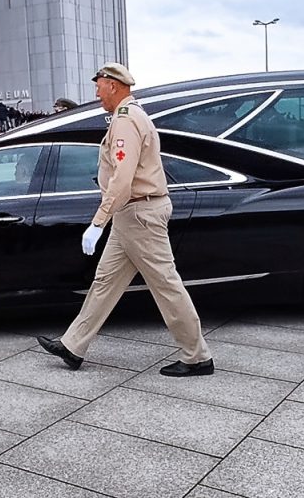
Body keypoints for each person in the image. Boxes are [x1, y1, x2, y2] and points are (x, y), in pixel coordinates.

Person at [36, 63, 214, 377]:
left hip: (139, 214)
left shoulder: (126, 121)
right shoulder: (129, 117)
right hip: (131, 214)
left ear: (114, 85)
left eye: (99, 86)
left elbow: (122, 178)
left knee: (166, 286)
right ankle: (73, 345)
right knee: (105, 281)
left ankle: (197, 356)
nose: (96, 92)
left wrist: (97, 222)